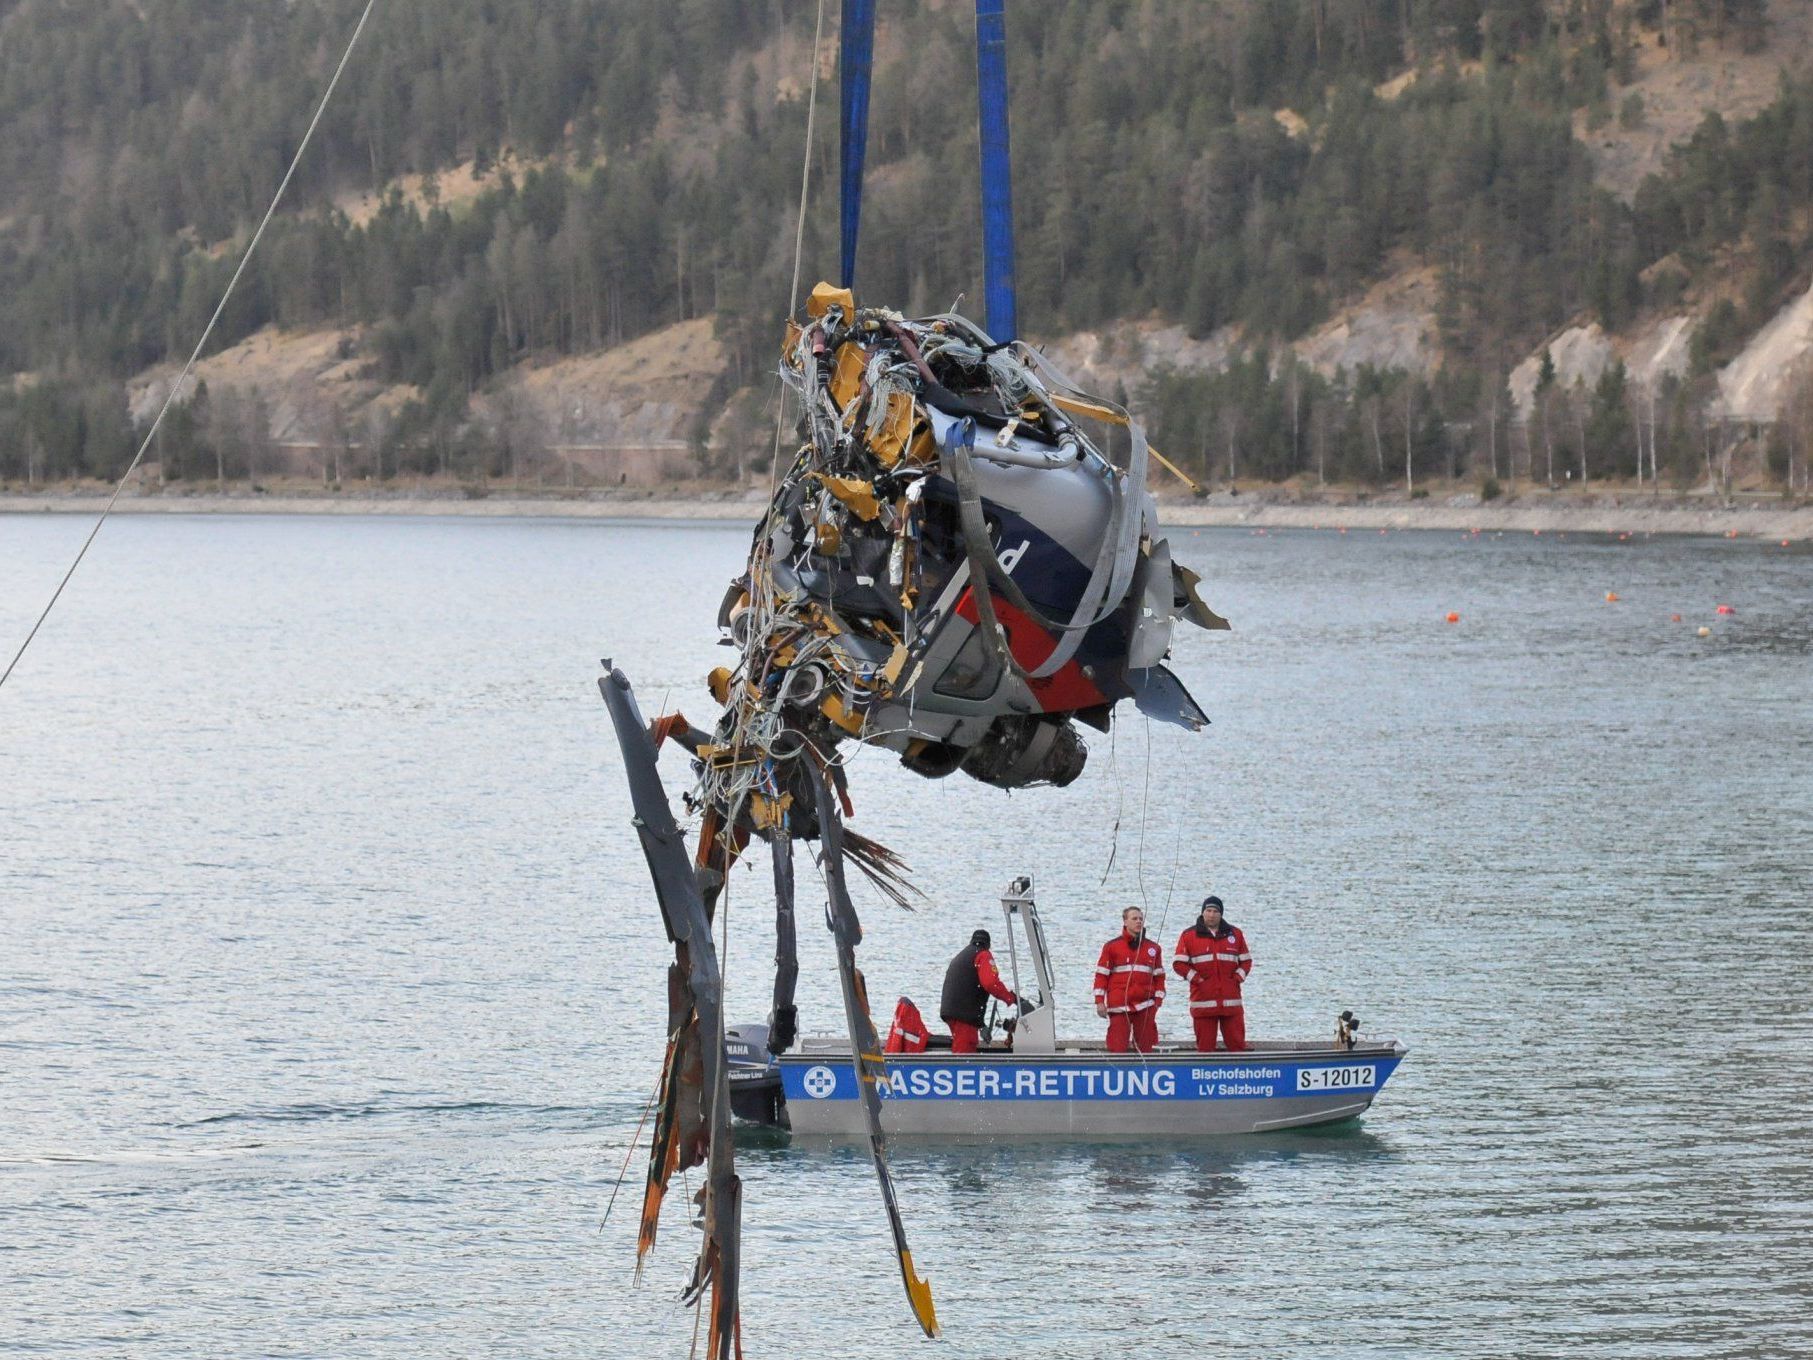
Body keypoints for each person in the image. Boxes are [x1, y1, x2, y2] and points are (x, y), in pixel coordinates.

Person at [1172, 895, 1252, 1052]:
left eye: (1215, 911)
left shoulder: (1235, 934)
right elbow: (1179, 964)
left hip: (1231, 1003)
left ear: (1221, 914)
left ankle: (1242, 1073)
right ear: (1203, 913)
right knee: (1205, 1049)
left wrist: (1237, 978)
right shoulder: (1189, 935)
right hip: (1203, 1002)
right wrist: (1197, 979)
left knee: (1237, 1046)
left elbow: (1246, 961)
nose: (1211, 914)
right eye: (1208, 910)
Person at [1093, 906, 1165, 1052]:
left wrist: (1157, 1002)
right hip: (1119, 1006)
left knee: (1146, 1048)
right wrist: (1100, 1002)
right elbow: (1101, 976)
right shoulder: (1111, 947)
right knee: (1117, 1047)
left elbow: (1160, 978)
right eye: (1134, 919)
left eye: (1140, 919)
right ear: (1125, 922)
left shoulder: (1154, 948)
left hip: (1145, 1006)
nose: (1139, 921)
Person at [939, 929, 1019, 1054]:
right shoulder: (983, 955)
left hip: (953, 1011)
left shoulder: (963, 955)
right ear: (988, 945)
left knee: (964, 1042)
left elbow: (969, 987)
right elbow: (990, 983)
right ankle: (962, 1070)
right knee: (965, 1051)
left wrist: (981, 1025)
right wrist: (1012, 999)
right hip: (963, 1015)